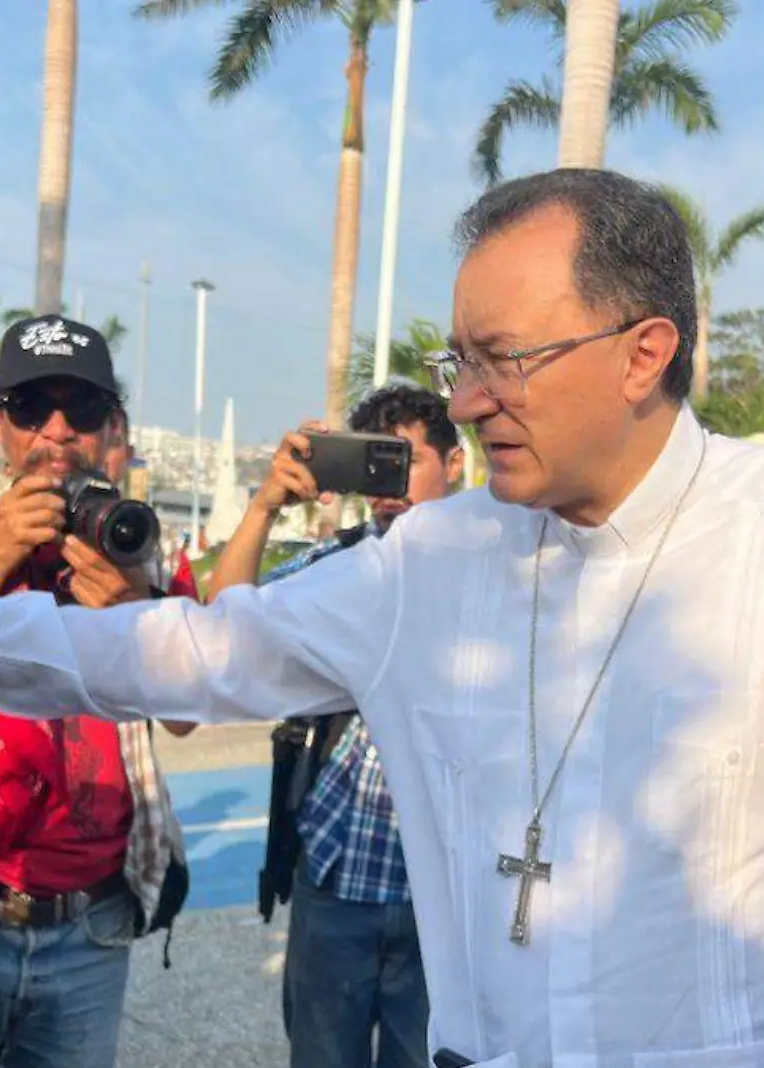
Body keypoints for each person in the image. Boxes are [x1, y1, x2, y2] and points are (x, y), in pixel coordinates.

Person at [0, 169, 764, 1068]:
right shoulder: (435, 558)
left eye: (503, 361)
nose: (466, 403)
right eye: (457, 360)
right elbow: (185, 652)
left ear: (645, 353)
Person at [0, 315, 188, 1068]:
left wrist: (133, 612)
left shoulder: (142, 540)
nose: (56, 432)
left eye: (81, 411)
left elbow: (184, 714)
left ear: (111, 426)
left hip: (90, 921)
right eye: (29, 409)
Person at [208, 384, 465, 1068]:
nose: (387, 485)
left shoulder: (494, 571)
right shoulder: (334, 568)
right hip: (335, 875)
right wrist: (264, 504)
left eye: (403, 461)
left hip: (442, 898)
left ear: (457, 464)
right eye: (371, 462)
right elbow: (222, 628)